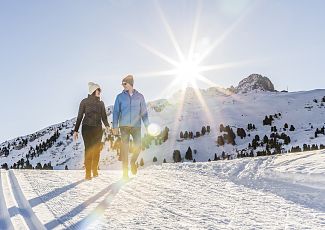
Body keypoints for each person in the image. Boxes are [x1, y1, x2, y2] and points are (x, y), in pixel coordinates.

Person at [112, 75, 149, 179]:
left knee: (138, 145)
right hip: (124, 126)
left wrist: (148, 126)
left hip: (136, 126)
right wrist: (115, 126)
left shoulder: (140, 96)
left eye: (124, 83)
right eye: (122, 84)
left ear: (130, 83)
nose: (123, 86)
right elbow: (115, 112)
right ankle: (125, 173)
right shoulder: (119, 97)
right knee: (124, 149)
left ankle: (133, 162)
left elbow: (144, 113)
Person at [73, 82, 110, 180]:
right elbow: (80, 116)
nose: (99, 92)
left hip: (98, 129)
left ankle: (95, 170)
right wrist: (75, 130)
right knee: (88, 149)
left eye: (100, 90)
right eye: (98, 90)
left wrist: (107, 126)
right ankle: (88, 172)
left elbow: (104, 117)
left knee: (96, 150)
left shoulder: (101, 103)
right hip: (87, 128)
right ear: (93, 91)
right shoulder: (84, 102)